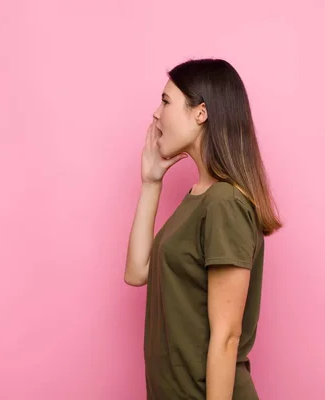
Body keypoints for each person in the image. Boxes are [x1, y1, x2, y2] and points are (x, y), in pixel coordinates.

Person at [124, 58, 282, 400]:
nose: (156, 113)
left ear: (201, 113)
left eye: (166, 101)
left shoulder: (224, 203)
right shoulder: (200, 197)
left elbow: (227, 336)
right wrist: (151, 183)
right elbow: (137, 272)